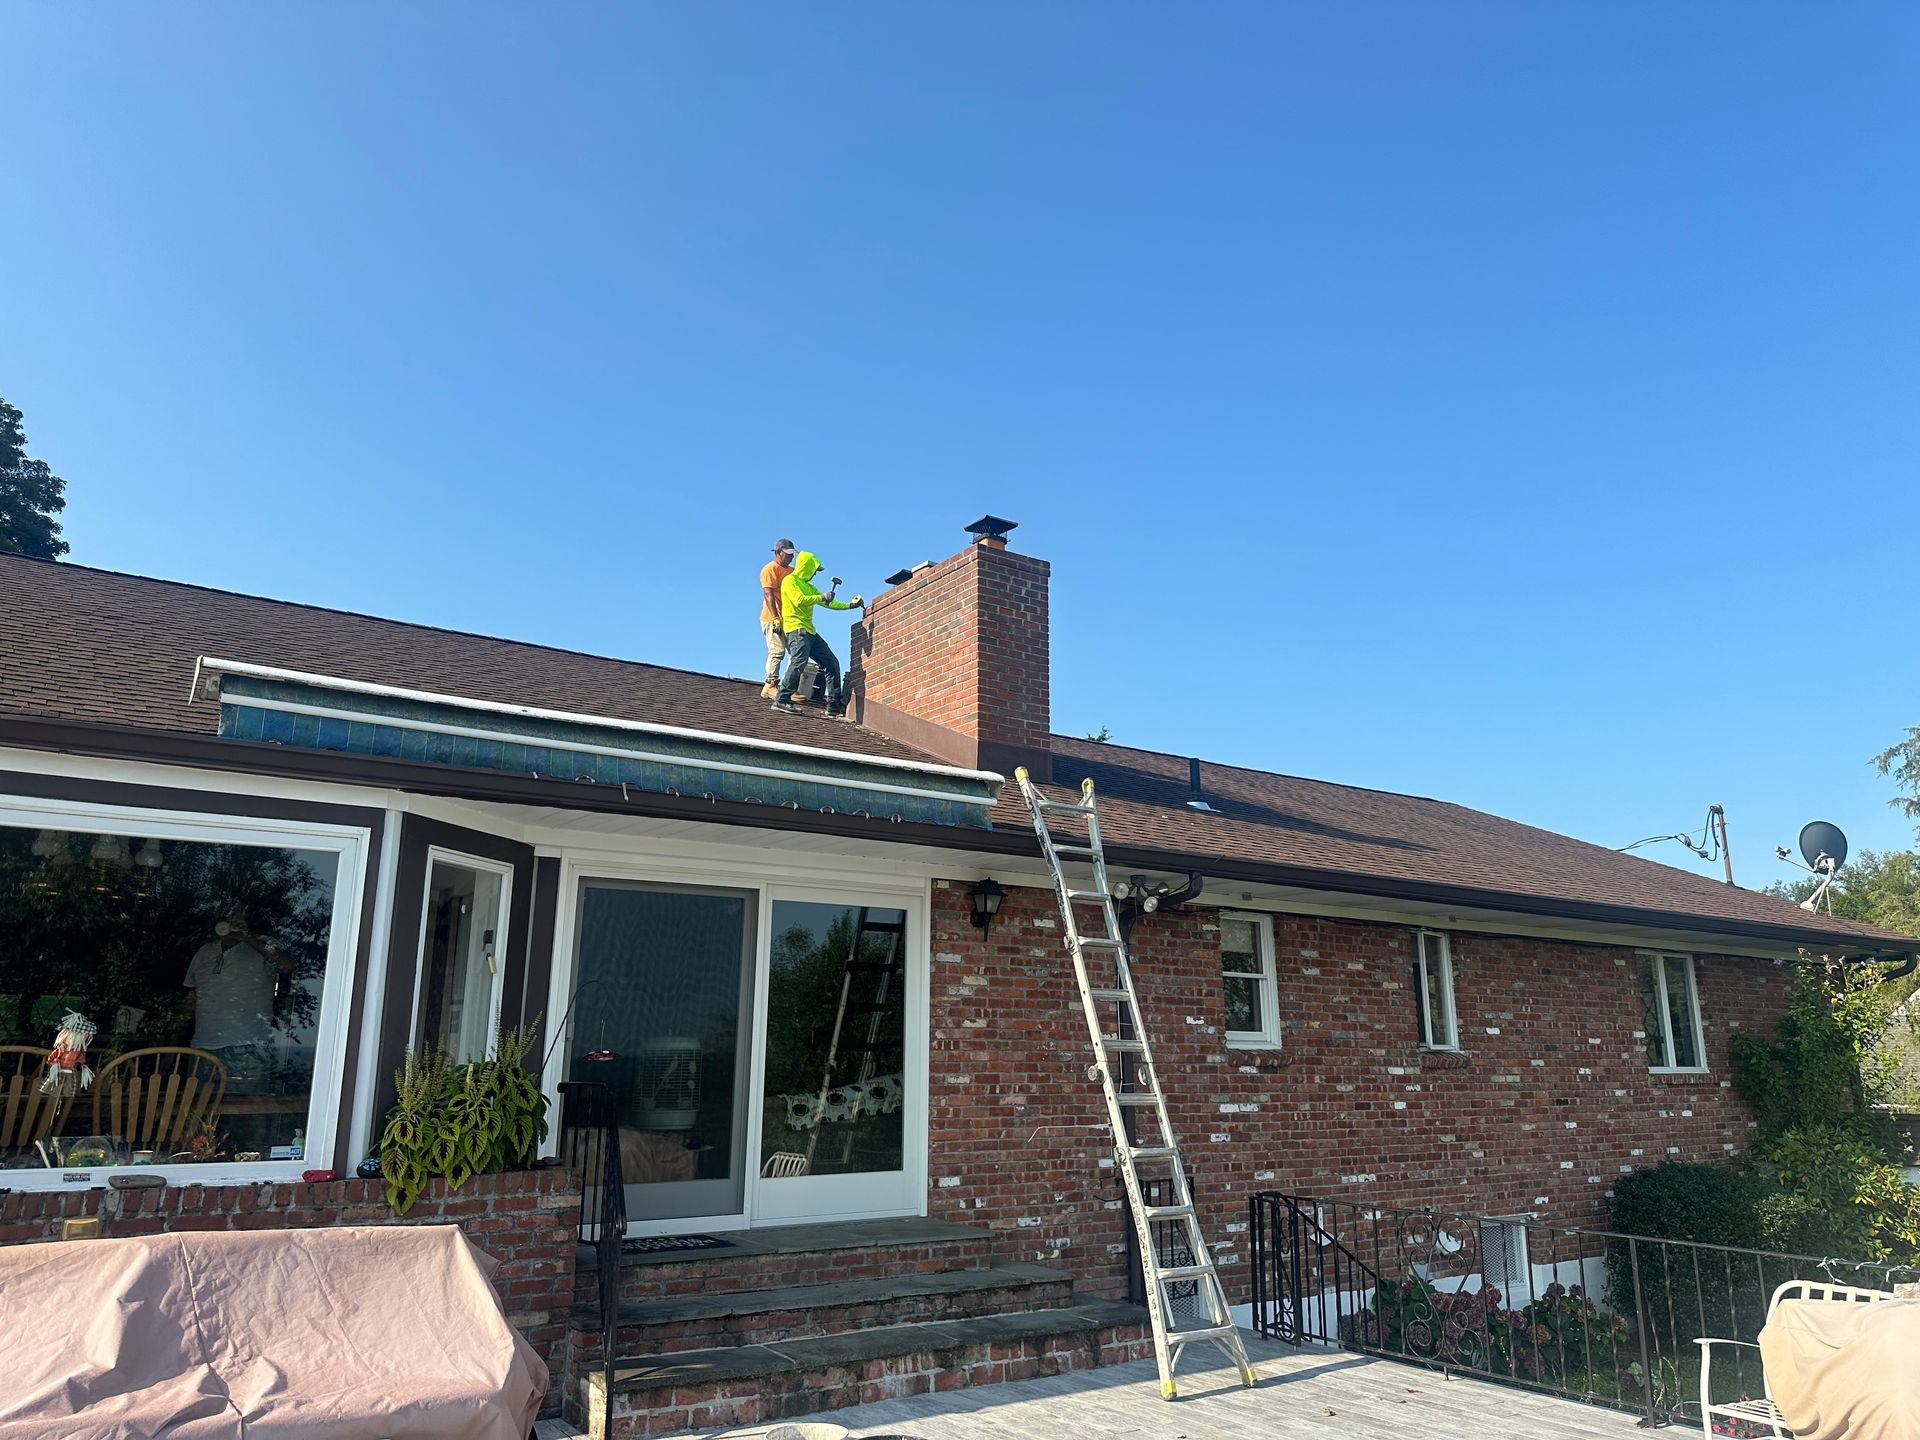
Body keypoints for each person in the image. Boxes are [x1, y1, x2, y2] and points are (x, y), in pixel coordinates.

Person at [772, 551, 863, 718]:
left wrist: (850, 605)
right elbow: (799, 599)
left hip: (809, 632)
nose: (814, 573)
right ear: (805, 567)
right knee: (799, 661)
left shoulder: (810, 587)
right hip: (796, 630)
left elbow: (828, 603)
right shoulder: (790, 581)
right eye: (814, 569)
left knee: (831, 662)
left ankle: (834, 705)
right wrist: (821, 596)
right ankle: (782, 698)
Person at [758, 539, 796, 699]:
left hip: (788, 619)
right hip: (772, 618)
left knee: (795, 653)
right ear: (778, 552)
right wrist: (775, 618)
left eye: (792, 555)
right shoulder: (770, 569)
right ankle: (770, 685)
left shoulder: (792, 571)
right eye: (788, 554)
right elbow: (768, 594)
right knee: (777, 651)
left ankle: (787, 688)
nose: (790, 558)